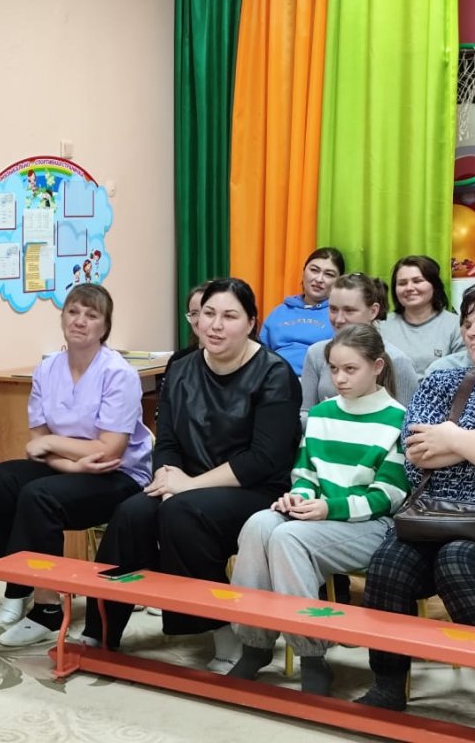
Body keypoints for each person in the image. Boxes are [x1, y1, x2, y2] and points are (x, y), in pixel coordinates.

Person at [79, 278, 302, 672]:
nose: (215, 325)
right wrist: (168, 480)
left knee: (181, 513)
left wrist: (188, 487)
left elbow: (263, 460)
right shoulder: (180, 369)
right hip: (184, 486)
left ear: (251, 323)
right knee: (131, 513)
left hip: (253, 489)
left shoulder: (274, 373)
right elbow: (165, 441)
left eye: (229, 316)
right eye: (208, 314)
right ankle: (100, 629)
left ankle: (222, 630)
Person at [228, 324, 409, 696]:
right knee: (259, 524)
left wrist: (329, 507)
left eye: (350, 369)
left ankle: (312, 656)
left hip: (371, 526)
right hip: (317, 516)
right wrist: (297, 497)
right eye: (334, 369)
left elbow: (387, 497)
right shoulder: (323, 413)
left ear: (377, 367)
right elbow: (305, 474)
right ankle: (255, 645)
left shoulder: (398, 419)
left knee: (288, 538)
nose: (339, 379)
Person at [0, 283, 153, 647]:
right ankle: (20, 586)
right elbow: (36, 444)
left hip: (119, 475)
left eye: (92, 315)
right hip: (73, 468)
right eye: (73, 312)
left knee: (38, 496)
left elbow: (108, 450)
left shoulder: (118, 373)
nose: (80, 321)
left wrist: (54, 444)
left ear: (105, 327)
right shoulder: (47, 369)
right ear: (62, 318)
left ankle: (47, 609)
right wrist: (73, 465)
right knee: (2, 479)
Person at [356, 282, 475, 711]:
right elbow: (415, 456)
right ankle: (388, 686)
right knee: (388, 565)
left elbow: (437, 447)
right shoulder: (444, 381)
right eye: (468, 323)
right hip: (432, 515)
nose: (472, 331)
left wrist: (451, 437)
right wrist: (473, 444)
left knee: (457, 560)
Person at [301, 272, 419, 424]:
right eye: (333, 309)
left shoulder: (397, 360)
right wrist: (326, 417)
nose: (339, 319)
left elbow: (409, 423)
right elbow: (304, 414)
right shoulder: (316, 353)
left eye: (349, 310)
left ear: (373, 311)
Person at [260, 247, 345, 375]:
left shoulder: (339, 316)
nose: (319, 279)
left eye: (329, 274)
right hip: (275, 378)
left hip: (319, 379)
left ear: (339, 281)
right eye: (314, 270)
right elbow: (260, 355)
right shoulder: (279, 312)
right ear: (303, 272)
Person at [379, 255, 462, 377]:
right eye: (402, 283)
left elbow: (465, 374)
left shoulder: (457, 325)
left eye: (417, 281)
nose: (409, 288)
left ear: (434, 285)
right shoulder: (381, 325)